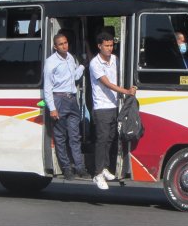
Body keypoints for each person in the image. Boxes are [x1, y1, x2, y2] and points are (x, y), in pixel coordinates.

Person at [89, 31, 136, 190]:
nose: (110, 48)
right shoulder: (95, 63)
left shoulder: (115, 59)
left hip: (114, 105)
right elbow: (106, 83)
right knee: (101, 141)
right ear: (99, 46)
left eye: (111, 45)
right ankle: (97, 174)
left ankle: (105, 168)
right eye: (106, 46)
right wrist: (126, 91)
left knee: (111, 138)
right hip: (101, 107)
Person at [43, 33, 88, 180]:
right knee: (61, 137)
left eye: (66, 42)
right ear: (55, 47)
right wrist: (52, 108)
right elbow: (48, 87)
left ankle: (80, 167)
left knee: (75, 135)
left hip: (72, 99)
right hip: (59, 100)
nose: (64, 45)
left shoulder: (70, 58)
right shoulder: (50, 62)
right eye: (61, 44)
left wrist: (81, 66)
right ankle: (66, 168)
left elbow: (74, 77)